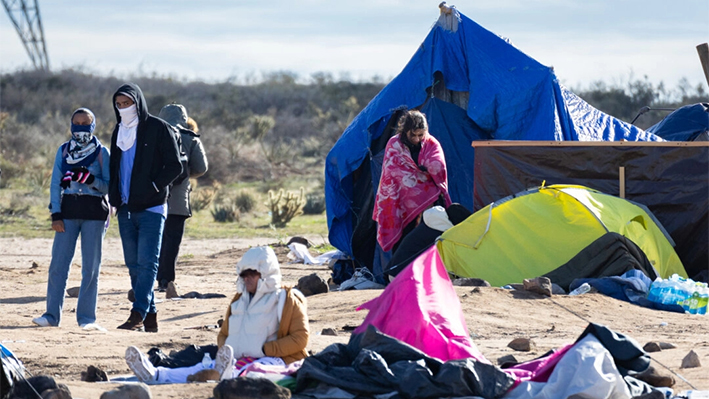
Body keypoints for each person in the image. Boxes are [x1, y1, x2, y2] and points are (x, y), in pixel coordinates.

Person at [124, 246, 310, 383]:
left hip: (276, 361)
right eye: (244, 274)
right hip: (237, 358)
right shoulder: (239, 300)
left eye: (252, 274)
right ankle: (155, 374)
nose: (247, 279)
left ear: (266, 273)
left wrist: (265, 350)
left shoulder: (288, 299)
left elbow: (301, 338)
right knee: (203, 366)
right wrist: (226, 349)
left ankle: (226, 375)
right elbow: (224, 334)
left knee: (252, 372)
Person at [109, 83, 183, 332]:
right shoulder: (118, 130)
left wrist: (153, 186)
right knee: (133, 263)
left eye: (127, 103)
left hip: (152, 207)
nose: (123, 108)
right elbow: (114, 168)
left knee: (148, 262)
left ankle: (137, 313)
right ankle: (150, 315)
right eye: (119, 105)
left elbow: (175, 166)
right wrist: (114, 198)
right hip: (126, 207)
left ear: (137, 102)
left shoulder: (157, 127)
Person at [32, 108, 110, 329]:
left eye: (85, 124)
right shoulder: (64, 151)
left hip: (94, 214)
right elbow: (56, 184)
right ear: (71, 125)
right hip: (67, 214)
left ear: (93, 126)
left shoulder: (103, 153)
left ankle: (87, 319)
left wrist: (91, 179)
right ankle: (51, 316)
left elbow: (108, 186)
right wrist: (55, 214)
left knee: (91, 268)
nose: (80, 129)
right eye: (77, 123)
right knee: (58, 265)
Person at [372, 110, 451, 254]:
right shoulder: (394, 144)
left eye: (420, 135)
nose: (416, 139)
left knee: (426, 237)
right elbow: (392, 172)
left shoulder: (431, 143)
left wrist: (426, 168)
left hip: (427, 203)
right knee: (403, 239)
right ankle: (400, 274)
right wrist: (418, 172)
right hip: (400, 202)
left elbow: (438, 166)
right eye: (412, 135)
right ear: (405, 131)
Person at [155, 104, 208, 292]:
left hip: (153, 196)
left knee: (153, 238)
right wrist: (184, 175)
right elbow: (202, 168)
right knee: (172, 240)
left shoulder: (152, 135)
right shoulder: (190, 138)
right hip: (178, 199)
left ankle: (148, 276)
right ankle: (166, 280)